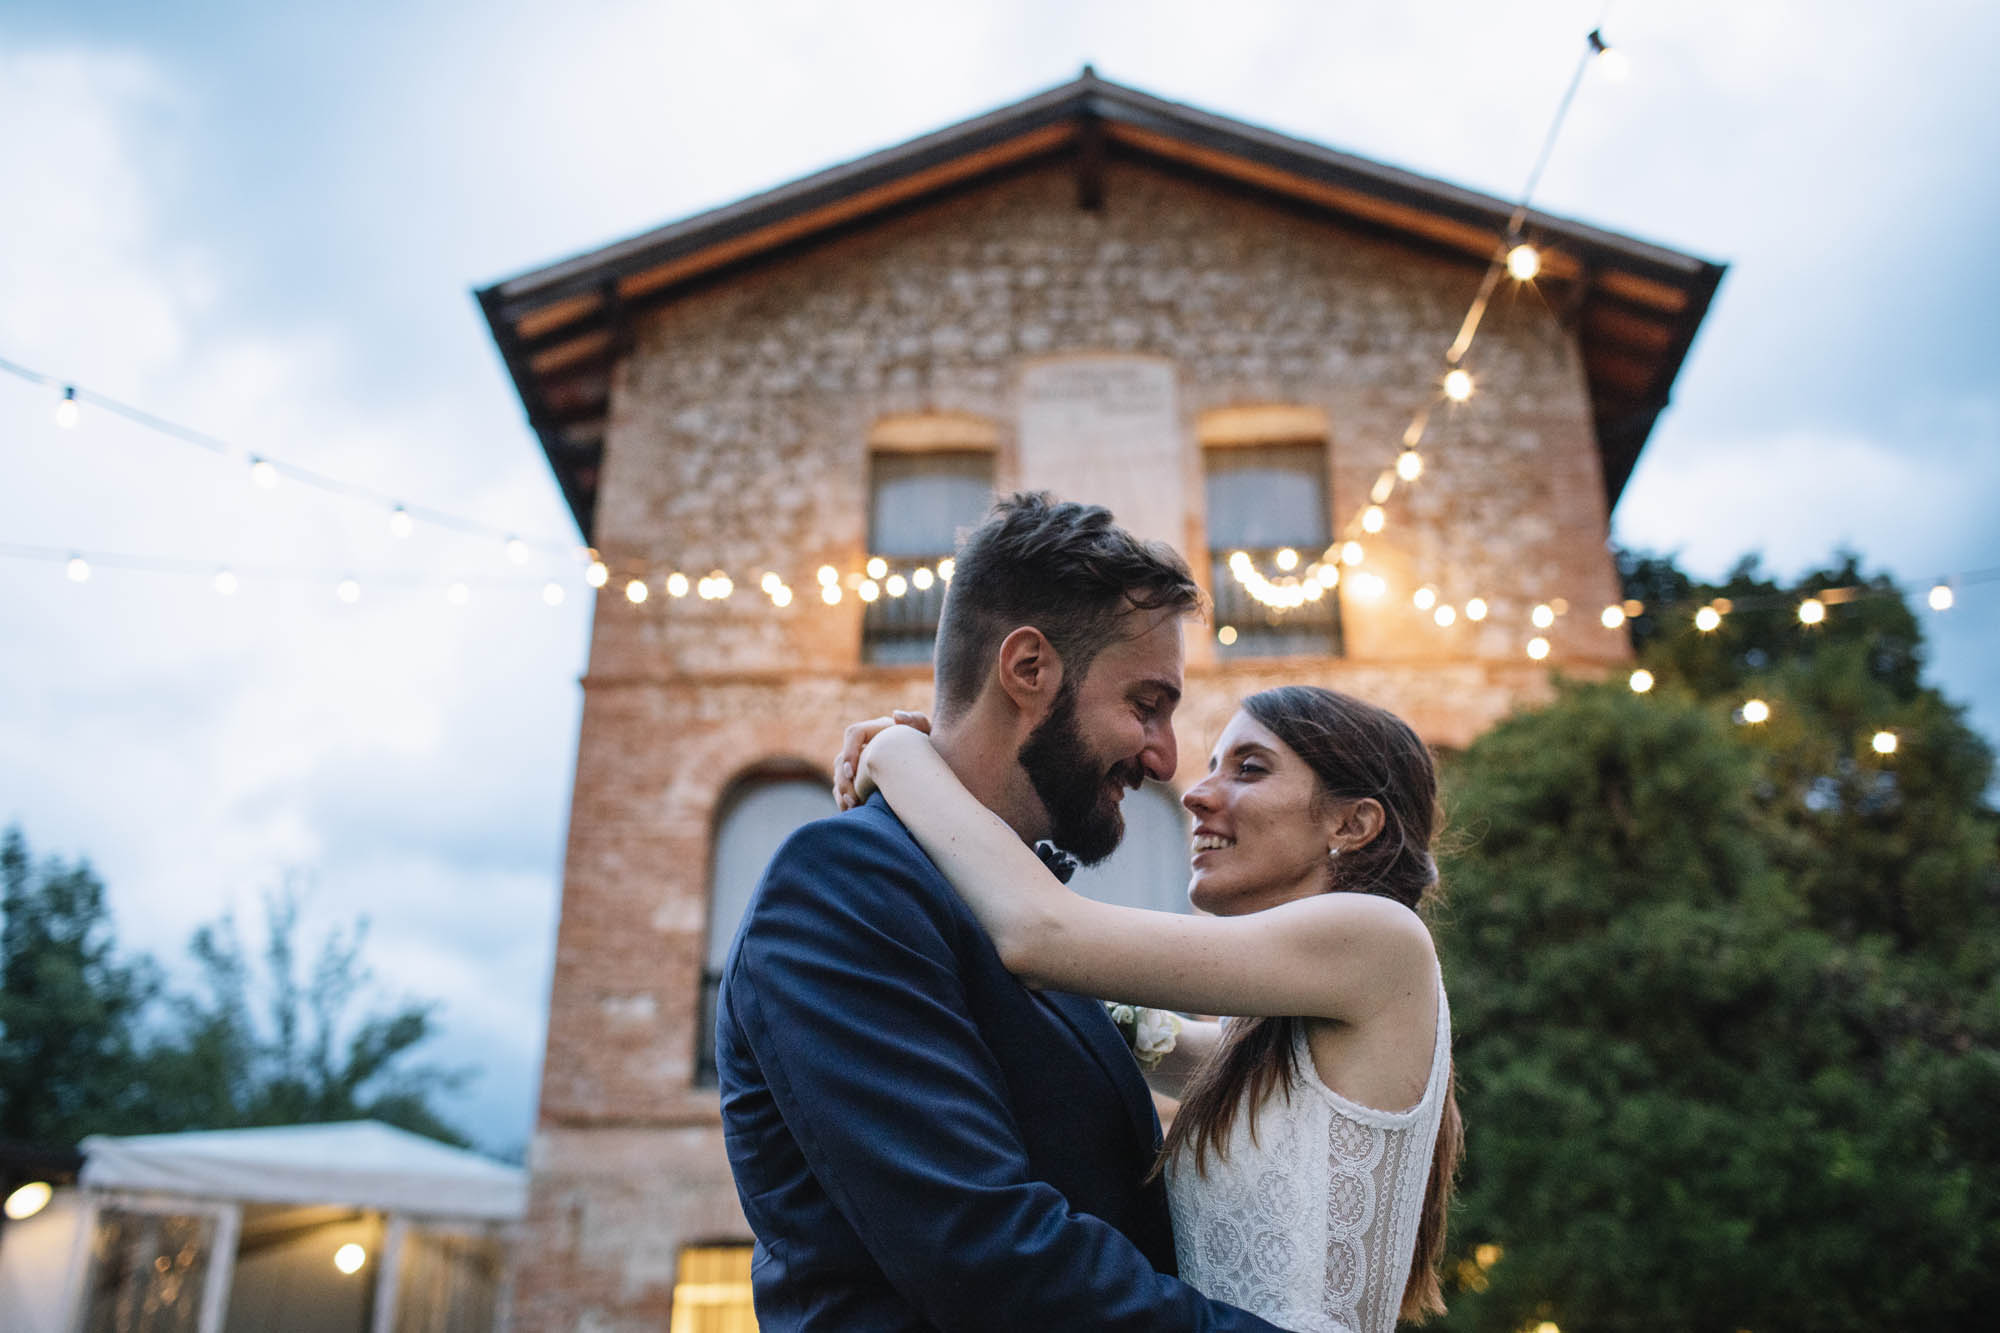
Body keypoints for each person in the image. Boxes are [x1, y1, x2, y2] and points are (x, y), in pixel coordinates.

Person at [712, 493, 1284, 1330]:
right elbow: (989, 1256)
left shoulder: (1018, 898)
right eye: (1146, 704)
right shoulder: (841, 883)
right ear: (1028, 669)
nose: (1164, 758)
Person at [839, 684, 1462, 1333]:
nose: (1195, 791)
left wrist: (898, 753)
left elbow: (1043, 935)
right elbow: (1127, 1025)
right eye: (1214, 763)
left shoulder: (1383, 940)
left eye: (1249, 767)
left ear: (1352, 823)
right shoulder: (1261, 1042)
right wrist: (955, 774)